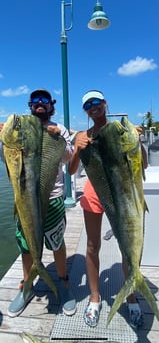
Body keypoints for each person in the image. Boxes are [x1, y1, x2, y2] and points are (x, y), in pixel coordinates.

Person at [68, 90, 148, 329]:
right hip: (95, 193)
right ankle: (94, 298)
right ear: (86, 111)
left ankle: (131, 296)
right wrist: (77, 147)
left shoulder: (123, 131)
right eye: (87, 105)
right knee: (92, 246)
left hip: (121, 194)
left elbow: (142, 163)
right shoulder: (84, 135)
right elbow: (72, 170)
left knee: (126, 246)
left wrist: (138, 141)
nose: (93, 107)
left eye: (96, 102)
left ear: (104, 104)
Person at [0, 88, 77, 317]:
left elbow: (69, 158)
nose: (40, 103)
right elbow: (8, 159)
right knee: (26, 245)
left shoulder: (59, 128)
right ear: (30, 105)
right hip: (24, 199)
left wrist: (58, 138)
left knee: (57, 242)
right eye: (35, 100)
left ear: (51, 105)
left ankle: (63, 284)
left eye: (44, 100)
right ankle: (28, 285)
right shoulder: (21, 128)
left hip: (52, 199)